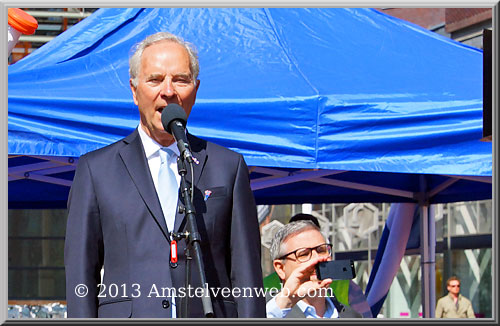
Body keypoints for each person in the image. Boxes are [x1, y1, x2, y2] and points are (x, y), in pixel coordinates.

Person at [64, 32, 266, 318]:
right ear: (134, 91)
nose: (168, 91)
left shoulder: (227, 166)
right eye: (155, 79)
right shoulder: (96, 170)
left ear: (195, 90)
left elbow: (246, 272)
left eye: (180, 80)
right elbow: (80, 274)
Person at [266, 220, 362, 318]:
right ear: (281, 268)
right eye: (304, 254)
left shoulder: (352, 317)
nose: (317, 259)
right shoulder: (263, 309)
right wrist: (287, 300)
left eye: (321, 250)